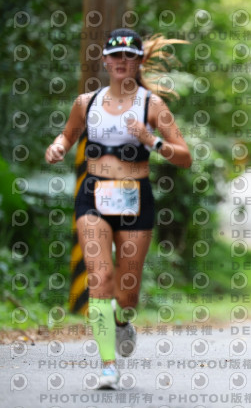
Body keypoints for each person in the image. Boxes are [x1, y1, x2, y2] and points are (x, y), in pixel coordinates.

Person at [45, 28, 192, 389]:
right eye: (116, 55)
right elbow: (68, 134)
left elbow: (184, 156)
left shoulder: (151, 105)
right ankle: (108, 366)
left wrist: (151, 140)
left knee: (127, 293)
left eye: (130, 56)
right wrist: (58, 146)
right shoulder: (86, 102)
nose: (122, 61)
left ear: (139, 61)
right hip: (93, 195)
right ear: (106, 61)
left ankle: (123, 321)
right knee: (100, 280)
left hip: (134, 198)